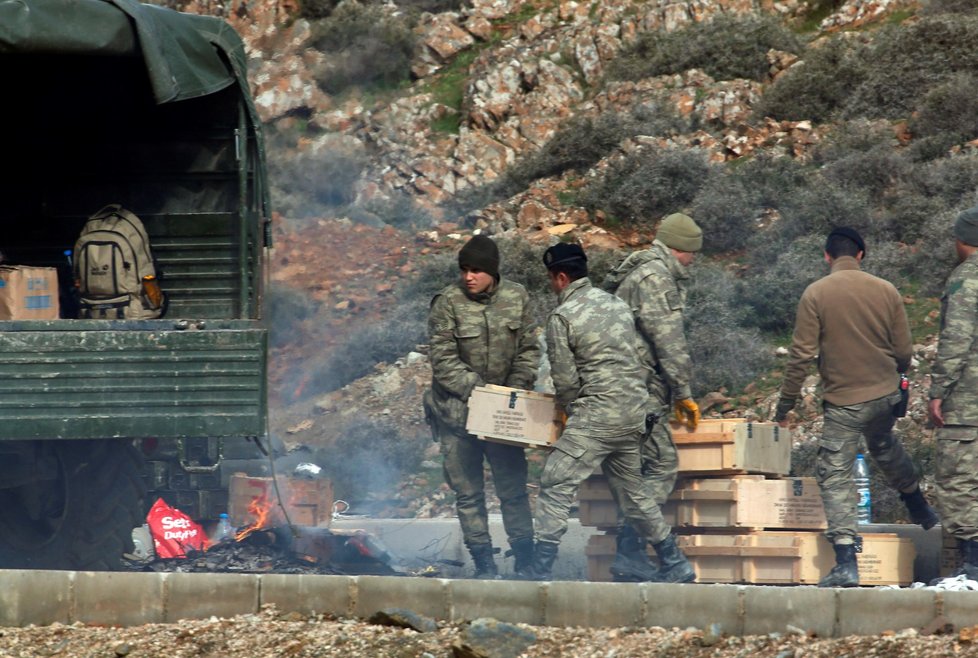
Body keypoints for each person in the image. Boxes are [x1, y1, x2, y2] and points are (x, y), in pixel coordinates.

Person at [519, 242, 695, 583]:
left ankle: (538, 570)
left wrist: (570, 412)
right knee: (635, 495)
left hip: (597, 416)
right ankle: (675, 562)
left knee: (556, 482)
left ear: (559, 277)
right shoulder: (616, 304)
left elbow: (565, 379)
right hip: (635, 415)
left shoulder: (562, 316)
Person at [774, 227, 938, 588]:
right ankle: (917, 503)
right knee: (882, 444)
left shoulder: (815, 293)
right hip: (885, 396)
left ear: (827, 257)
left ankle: (846, 559)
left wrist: (785, 404)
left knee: (835, 472)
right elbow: (904, 354)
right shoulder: (887, 290)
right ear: (861, 255)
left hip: (844, 402)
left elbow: (801, 356)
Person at [424, 234, 539, 578]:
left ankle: (526, 560)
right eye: (464, 270)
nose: (468, 277)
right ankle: (484, 563)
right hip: (457, 416)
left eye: (476, 270)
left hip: (503, 417)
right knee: (468, 494)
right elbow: (442, 360)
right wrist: (483, 393)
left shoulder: (517, 297)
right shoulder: (447, 303)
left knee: (513, 491)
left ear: (492, 272)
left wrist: (512, 392)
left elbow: (529, 350)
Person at [603, 213, 702, 581]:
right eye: (693, 253)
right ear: (680, 250)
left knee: (635, 471)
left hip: (620, 386)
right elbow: (669, 342)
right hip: (636, 390)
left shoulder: (639, 271)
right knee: (661, 466)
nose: (694, 260)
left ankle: (629, 553)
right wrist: (684, 393)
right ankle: (630, 550)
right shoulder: (656, 278)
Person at [929, 207, 978, 580]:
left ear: (963, 240)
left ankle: (972, 565)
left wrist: (938, 391)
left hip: (969, 402)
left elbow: (957, 341)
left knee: (959, 479)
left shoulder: (966, 279)